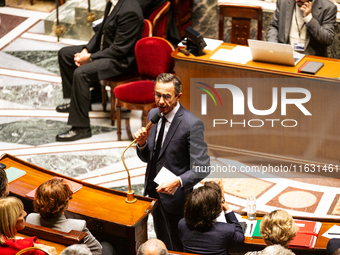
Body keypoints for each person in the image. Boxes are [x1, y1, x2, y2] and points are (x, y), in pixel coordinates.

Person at [134, 73, 210, 251]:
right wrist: (142, 144)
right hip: (153, 191)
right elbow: (149, 158)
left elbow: (203, 166)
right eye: (157, 95)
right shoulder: (153, 114)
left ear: (178, 96)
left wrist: (178, 181)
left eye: (167, 96)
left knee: (177, 244)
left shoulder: (191, 124)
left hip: (175, 198)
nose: (160, 101)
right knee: (162, 238)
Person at [55, 0, 144, 142]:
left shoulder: (130, 11)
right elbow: (100, 31)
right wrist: (86, 50)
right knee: (65, 54)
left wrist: (89, 57)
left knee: (81, 73)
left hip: (120, 61)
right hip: (107, 50)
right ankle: (82, 101)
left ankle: (81, 128)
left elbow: (119, 50)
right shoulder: (113, 3)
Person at [26, 178, 103, 255]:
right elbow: (97, 250)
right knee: (107, 246)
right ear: (65, 203)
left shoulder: (30, 219)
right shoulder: (77, 227)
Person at [178, 181, 244, 255]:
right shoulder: (226, 230)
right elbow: (240, 236)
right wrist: (226, 208)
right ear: (215, 209)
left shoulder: (182, 224)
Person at [266, 0, 337, 57]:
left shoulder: (328, 8)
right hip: (284, 55)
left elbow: (328, 39)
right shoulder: (283, 2)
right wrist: (273, 48)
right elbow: (274, 27)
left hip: (311, 59)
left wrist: (309, 18)